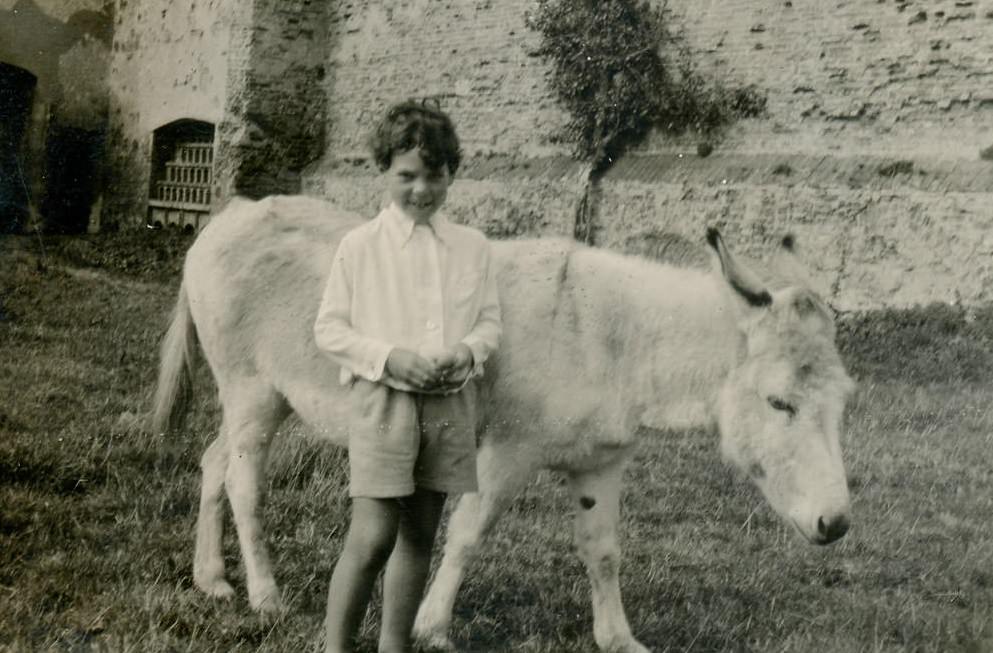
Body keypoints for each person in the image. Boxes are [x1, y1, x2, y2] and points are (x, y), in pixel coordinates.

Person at [314, 98, 502, 653]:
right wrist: (389, 356)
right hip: (384, 405)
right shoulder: (361, 246)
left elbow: (489, 322)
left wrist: (466, 352)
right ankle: (336, 647)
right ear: (384, 172)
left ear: (452, 175)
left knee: (420, 534)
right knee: (373, 536)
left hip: (449, 407)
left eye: (435, 176)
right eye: (407, 176)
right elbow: (330, 329)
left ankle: (393, 646)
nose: (421, 190)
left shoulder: (472, 248)